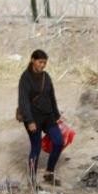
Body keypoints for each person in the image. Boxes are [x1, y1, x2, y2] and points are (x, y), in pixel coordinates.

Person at [18, 49, 64, 187]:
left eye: (44, 62)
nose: (42, 65)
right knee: (36, 148)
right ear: (32, 60)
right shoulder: (25, 78)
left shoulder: (46, 76)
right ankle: (32, 181)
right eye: (40, 62)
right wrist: (30, 120)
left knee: (59, 142)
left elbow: (51, 96)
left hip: (48, 116)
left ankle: (49, 172)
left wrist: (57, 115)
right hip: (33, 118)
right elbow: (23, 101)